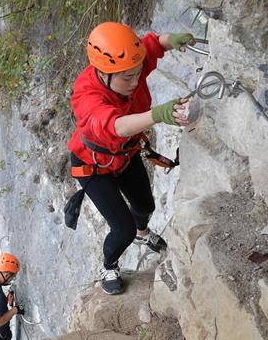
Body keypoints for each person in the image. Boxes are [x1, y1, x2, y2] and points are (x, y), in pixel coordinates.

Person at [68, 22, 194, 295]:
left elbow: (152, 45)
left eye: (137, 73)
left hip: (124, 154)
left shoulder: (127, 68)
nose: (135, 81)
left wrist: (171, 39)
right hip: (93, 166)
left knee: (145, 206)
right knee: (121, 229)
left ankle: (142, 234)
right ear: (102, 73)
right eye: (127, 77)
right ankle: (109, 265)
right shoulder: (88, 96)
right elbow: (115, 126)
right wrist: (158, 115)